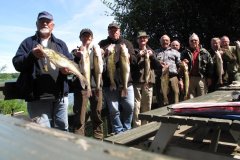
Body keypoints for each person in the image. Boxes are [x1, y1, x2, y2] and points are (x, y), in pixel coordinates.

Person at [12, 11, 73, 131]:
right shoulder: (28, 43)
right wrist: (32, 55)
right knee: (42, 133)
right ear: (36, 24)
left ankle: (62, 150)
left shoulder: (61, 44)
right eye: (41, 21)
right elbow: (17, 63)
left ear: (52, 26)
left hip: (60, 97)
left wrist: (67, 70)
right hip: (37, 98)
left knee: (63, 130)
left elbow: (70, 62)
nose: (45, 23)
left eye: (48, 21)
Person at [98, 22, 137, 134]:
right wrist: (104, 53)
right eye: (111, 30)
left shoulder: (127, 43)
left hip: (126, 82)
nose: (113, 32)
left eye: (115, 30)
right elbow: (96, 62)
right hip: (109, 83)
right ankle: (118, 131)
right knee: (114, 110)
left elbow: (134, 61)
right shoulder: (102, 43)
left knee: (129, 107)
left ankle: (127, 128)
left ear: (119, 31)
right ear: (108, 31)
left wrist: (129, 56)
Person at [71, 28, 104, 139]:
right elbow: (71, 66)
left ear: (92, 38)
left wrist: (101, 54)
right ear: (80, 38)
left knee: (97, 114)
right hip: (81, 87)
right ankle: (80, 141)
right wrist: (77, 56)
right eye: (84, 36)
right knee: (80, 115)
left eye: (89, 36)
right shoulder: (75, 52)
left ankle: (99, 140)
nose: (87, 38)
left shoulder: (97, 51)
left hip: (96, 86)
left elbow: (102, 67)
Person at [131, 31, 160, 127]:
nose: (142, 39)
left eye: (144, 38)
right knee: (136, 105)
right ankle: (136, 127)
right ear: (137, 40)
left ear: (147, 39)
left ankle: (145, 127)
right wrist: (138, 56)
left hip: (148, 82)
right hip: (137, 81)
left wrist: (152, 56)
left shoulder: (152, 51)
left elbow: (157, 66)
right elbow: (131, 66)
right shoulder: (134, 51)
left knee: (147, 105)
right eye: (140, 38)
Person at [181, 33, 213, 98]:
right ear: (189, 42)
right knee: (190, 98)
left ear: (198, 41)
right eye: (191, 40)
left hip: (201, 78)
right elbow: (179, 64)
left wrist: (209, 77)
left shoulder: (205, 52)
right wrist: (183, 62)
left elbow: (210, 65)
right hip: (189, 78)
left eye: (195, 40)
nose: (193, 42)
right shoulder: (184, 52)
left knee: (202, 97)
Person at [155, 35, 182, 106]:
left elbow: (179, 65)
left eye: (167, 40)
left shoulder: (176, 52)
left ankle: (175, 115)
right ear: (160, 42)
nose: (165, 42)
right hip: (160, 78)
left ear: (169, 42)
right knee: (161, 99)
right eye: (163, 40)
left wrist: (180, 79)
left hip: (173, 77)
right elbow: (153, 64)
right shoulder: (155, 52)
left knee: (175, 98)